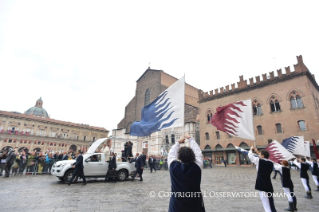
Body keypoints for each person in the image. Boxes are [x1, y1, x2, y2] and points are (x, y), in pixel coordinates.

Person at [168, 133, 205, 212]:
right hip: (195, 206)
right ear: (193, 156)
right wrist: (190, 138)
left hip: (176, 206)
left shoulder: (173, 167)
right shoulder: (197, 166)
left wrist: (178, 142)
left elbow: (171, 153)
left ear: (179, 157)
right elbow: (198, 152)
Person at [248, 145, 277, 212]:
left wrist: (251, 150)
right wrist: (257, 152)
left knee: (266, 204)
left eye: (260, 155)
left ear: (263, 156)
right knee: (270, 203)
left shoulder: (259, 161)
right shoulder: (271, 163)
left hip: (262, 185)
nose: (258, 155)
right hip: (268, 184)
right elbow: (264, 158)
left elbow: (251, 157)